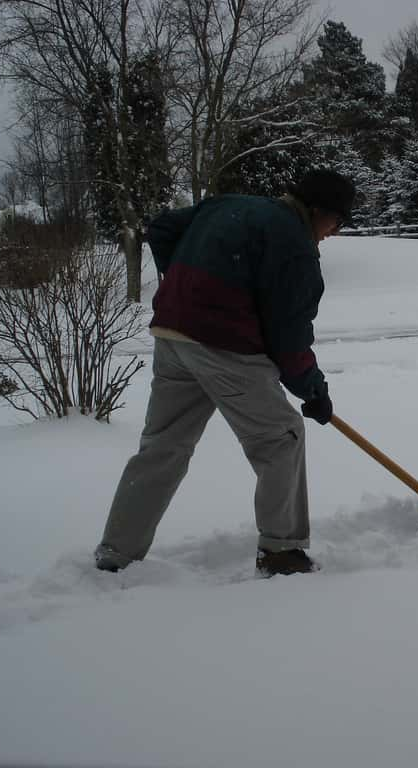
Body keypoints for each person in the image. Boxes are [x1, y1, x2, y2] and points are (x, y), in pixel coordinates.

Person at [94, 169, 355, 577]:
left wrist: (188, 287)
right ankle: (282, 552)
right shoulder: (296, 248)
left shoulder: (230, 204)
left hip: (173, 334)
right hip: (224, 347)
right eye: (337, 222)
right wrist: (313, 390)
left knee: (163, 447)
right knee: (281, 439)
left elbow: (162, 228)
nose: (333, 232)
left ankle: (116, 552)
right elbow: (289, 337)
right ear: (318, 211)